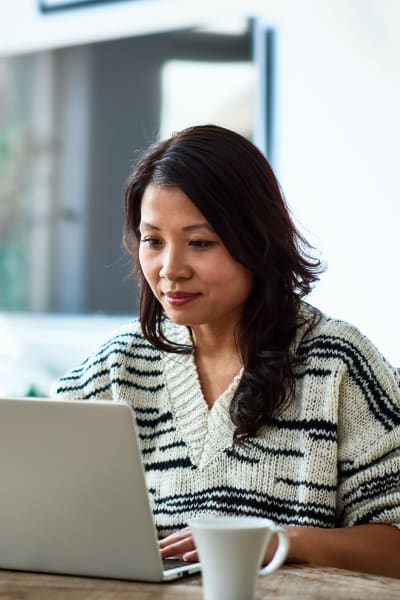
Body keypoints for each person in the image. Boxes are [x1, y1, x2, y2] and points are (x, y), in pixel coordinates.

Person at [54, 124, 400, 578]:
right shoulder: (119, 366)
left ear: (256, 241)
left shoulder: (338, 363)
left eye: (200, 243)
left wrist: (279, 539)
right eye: (153, 240)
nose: (171, 269)